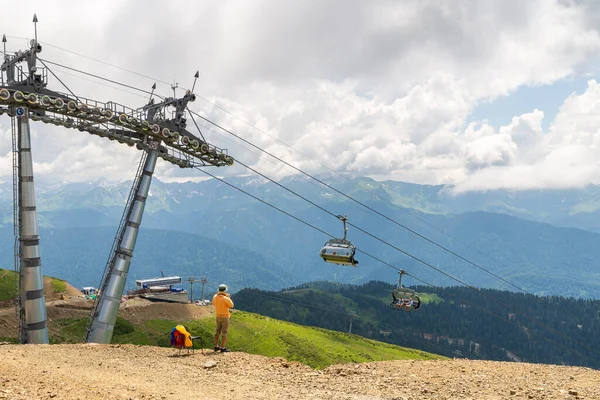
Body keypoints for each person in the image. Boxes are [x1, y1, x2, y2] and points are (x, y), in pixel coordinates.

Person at [212, 283, 234, 352]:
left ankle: (216, 346)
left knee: (217, 331)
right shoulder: (225, 298)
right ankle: (223, 347)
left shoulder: (215, 296)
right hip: (225, 317)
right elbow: (231, 305)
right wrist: (228, 297)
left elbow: (213, 303)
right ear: (225, 291)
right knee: (224, 332)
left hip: (218, 316)